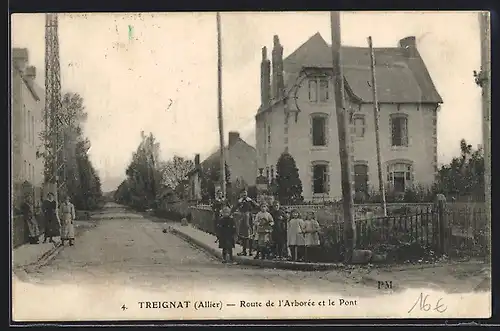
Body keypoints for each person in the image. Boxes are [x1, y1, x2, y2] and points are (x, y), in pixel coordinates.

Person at [232, 189, 259, 256]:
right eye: (243, 193)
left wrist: (254, 213)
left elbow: (257, 207)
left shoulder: (250, 201)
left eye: (245, 193)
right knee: (243, 235)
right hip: (242, 218)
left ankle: (250, 251)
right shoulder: (239, 201)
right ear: (241, 194)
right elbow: (234, 208)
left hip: (249, 218)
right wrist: (230, 213)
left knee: (250, 234)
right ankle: (244, 251)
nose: (244, 194)